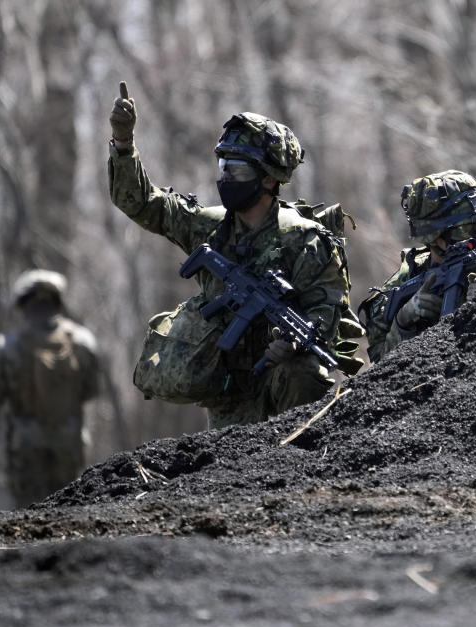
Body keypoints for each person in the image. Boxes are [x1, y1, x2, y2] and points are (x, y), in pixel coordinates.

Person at [107, 82, 362, 428]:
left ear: (269, 180)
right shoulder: (209, 226)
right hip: (226, 385)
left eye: (238, 169)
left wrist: (290, 346)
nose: (226, 176)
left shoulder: (305, 239)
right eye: (223, 166)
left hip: (278, 380)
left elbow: (326, 314)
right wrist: (123, 143)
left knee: (305, 373)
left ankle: (302, 463)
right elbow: (141, 203)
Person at [359, 169, 476, 363]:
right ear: (433, 237)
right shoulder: (400, 286)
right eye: (465, 229)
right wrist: (403, 322)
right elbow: (377, 369)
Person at [0, 269, 100, 507]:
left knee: (27, 520)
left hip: (24, 451)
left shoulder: (5, 347)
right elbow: (92, 391)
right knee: (69, 513)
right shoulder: (83, 342)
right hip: (69, 445)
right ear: (58, 301)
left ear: (23, 304)